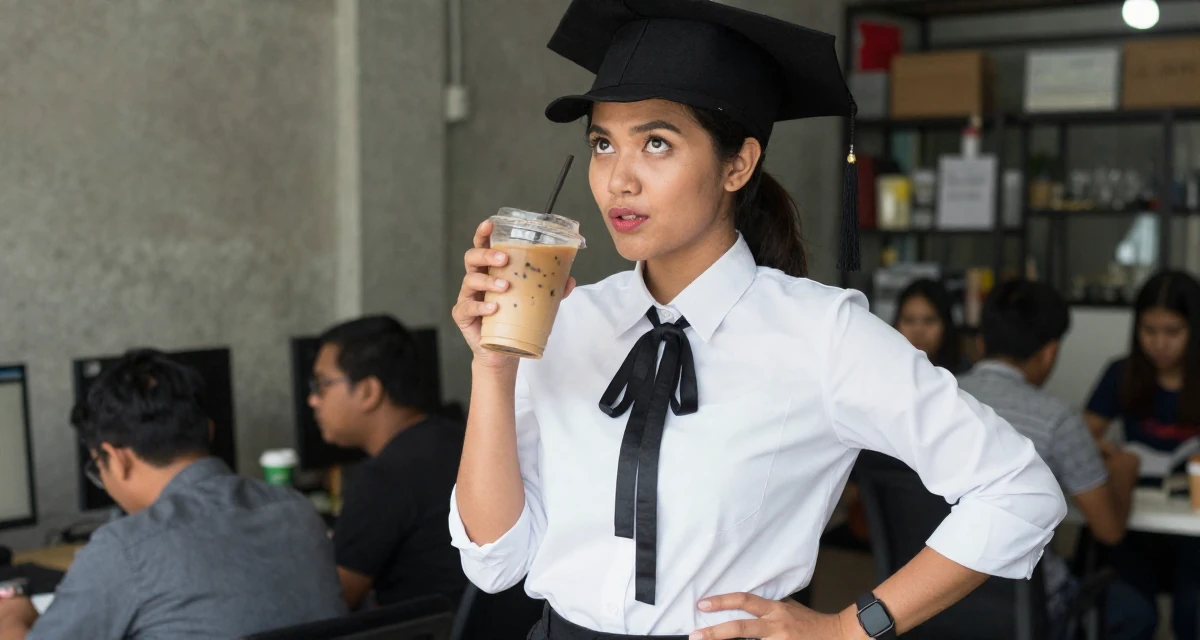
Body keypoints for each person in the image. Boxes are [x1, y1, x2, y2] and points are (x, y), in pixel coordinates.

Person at [448, 2, 1067, 639]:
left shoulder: (822, 335)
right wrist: (492, 368)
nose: (618, 181)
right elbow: (496, 561)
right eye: (603, 144)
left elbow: (1018, 491)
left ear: (738, 165)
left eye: (656, 143)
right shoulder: (562, 320)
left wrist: (848, 629)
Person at [0, 350, 346, 640]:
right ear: (209, 430)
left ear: (117, 459)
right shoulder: (296, 510)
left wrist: (13, 618)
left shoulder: (126, 548)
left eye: (98, 469)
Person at [957, 280, 1152, 639]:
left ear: (981, 343)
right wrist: (1124, 472)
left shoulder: (934, 399)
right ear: (1050, 352)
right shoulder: (1057, 420)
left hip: (933, 595)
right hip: (1029, 605)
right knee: (1137, 612)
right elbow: (1109, 531)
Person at [310, 316, 468, 610]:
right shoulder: (461, 439)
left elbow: (332, 601)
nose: (313, 400)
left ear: (368, 391)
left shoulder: (384, 478)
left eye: (322, 384)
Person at [1083, 270, 1200, 640]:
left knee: (1194, 607)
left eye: (1173, 332)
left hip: (1193, 523)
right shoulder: (1122, 373)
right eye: (1149, 331)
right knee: (1131, 610)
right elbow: (1081, 437)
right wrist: (1105, 451)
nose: (1159, 344)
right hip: (1134, 518)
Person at [893, 278, 966, 373]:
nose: (918, 330)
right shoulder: (882, 372)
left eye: (929, 320)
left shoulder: (964, 376)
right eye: (909, 320)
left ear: (945, 325)